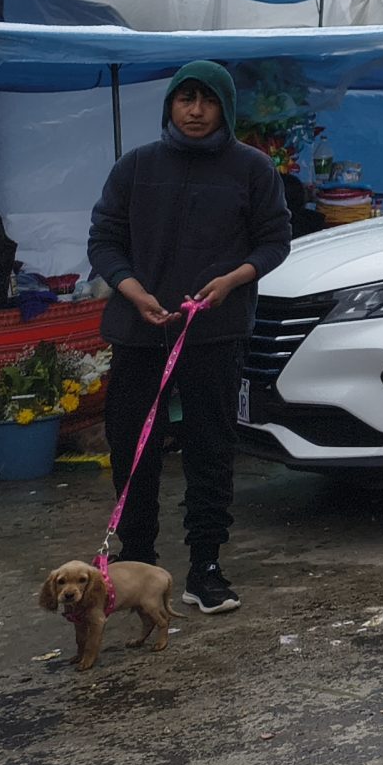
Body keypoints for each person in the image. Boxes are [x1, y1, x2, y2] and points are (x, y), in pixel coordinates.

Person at [88, 60, 293, 617]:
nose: (196, 111)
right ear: (170, 106)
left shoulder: (251, 169)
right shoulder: (136, 167)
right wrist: (132, 291)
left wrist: (232, 280)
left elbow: (275, 240)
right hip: (138, 333)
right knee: (133, 450)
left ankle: (205, 565)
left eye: (207, 100)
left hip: (213, 335)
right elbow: (104, 240)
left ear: (225, 107)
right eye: (186, 99)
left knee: (210, 449)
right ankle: (138, 562)